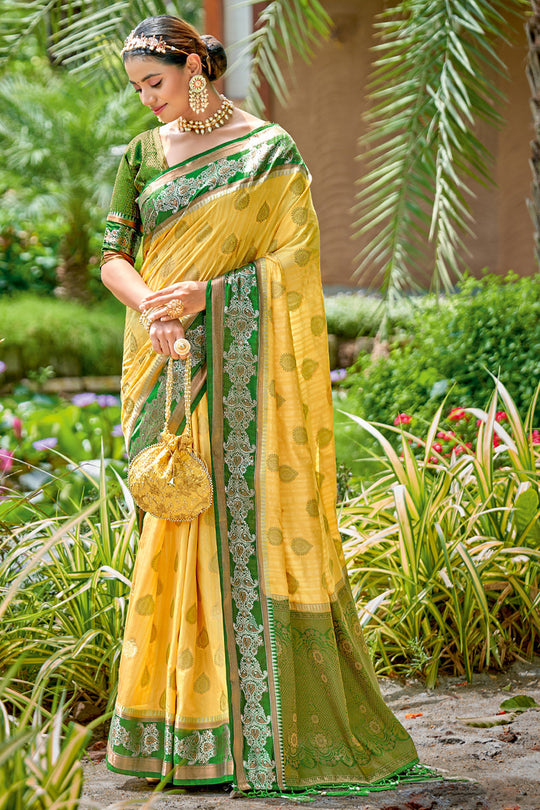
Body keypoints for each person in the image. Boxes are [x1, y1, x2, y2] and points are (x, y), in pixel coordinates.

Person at [101, 14, 421, 795]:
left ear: (194, 68)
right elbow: (112, 256)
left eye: (155, 82)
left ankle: (253, 735)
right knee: (174, 520)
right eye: (137, 88)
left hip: (236, 360)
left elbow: (295, 261)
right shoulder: (142, 155)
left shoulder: (267, 151)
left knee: (237, 526)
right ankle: (178, 729)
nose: (147, 100)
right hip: (164, 360)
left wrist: (208, 299)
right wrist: (156, 309)